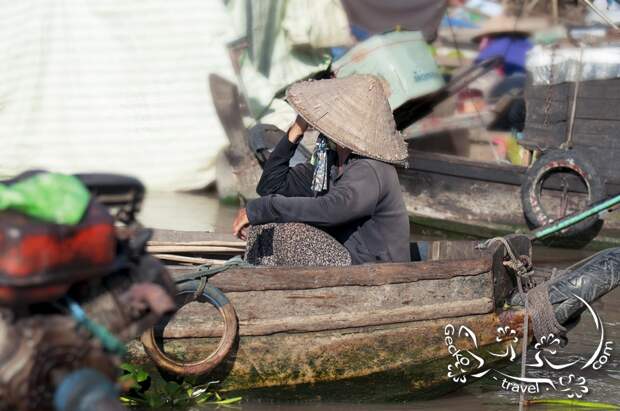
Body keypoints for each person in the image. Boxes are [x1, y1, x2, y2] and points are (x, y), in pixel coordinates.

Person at [232, 74, 411, 265]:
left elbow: (331, 210)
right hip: (344, 260)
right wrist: (296, 130)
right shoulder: (329, 165)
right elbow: (271, 186)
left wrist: (263, 208)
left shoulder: (371, 168)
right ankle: (258, 282)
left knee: (289, 233)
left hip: (376, 271)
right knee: (262, 227)